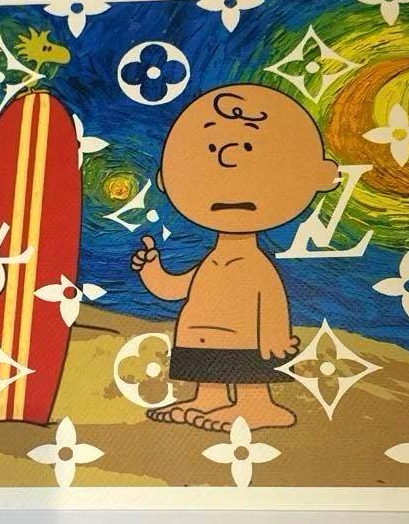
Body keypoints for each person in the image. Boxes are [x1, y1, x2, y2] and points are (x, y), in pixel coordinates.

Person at [132, 83, 338, 431]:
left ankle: (259, 407)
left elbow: (271, 298)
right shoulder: (210, 263)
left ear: (317, 175)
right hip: (201, 341)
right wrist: (151, 270)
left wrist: (274, 336)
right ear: (167, 178)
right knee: (208, 373)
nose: (229, 160)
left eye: (249, 149)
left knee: (246, 374)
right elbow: (174, 289)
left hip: (246, 342)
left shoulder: (256, 266)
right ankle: (206, 400)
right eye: (211, 149)